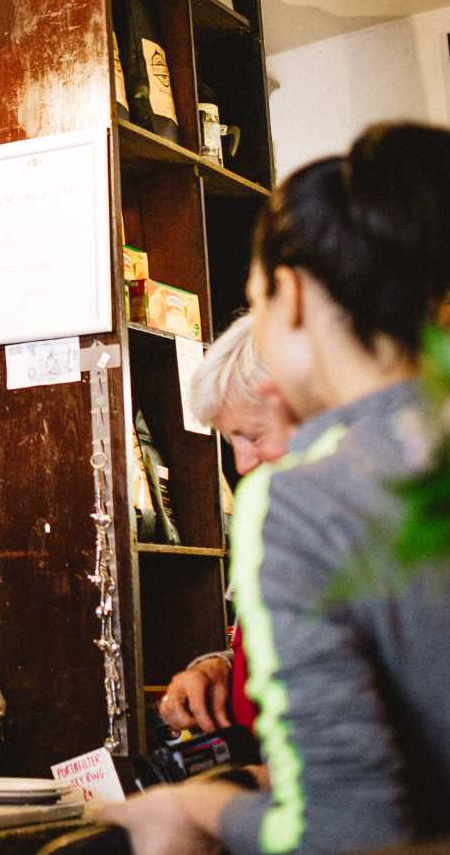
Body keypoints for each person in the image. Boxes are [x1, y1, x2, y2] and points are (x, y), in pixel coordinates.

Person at [106, 122, 450, 855]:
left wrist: (196, 810)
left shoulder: (303, 499)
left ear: (290, 296)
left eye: (254, 301)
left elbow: (347, 831)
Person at [157, 314, 294, 738]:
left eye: (253, 435)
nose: (242, 463)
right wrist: (218, 670)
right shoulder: (273, 515)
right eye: (232, 441)